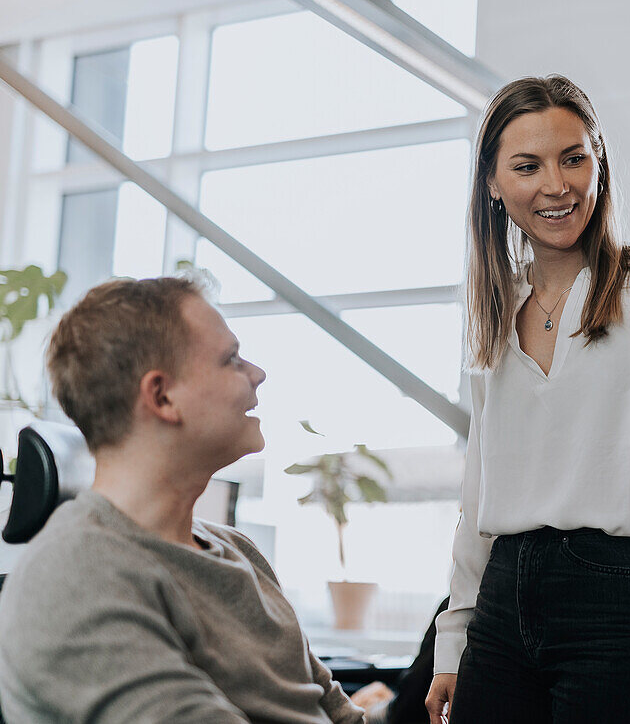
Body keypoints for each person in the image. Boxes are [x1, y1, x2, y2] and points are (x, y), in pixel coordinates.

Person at [425, 75, 630, 723]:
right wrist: (453, 640)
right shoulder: (497, 315)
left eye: (573, 157)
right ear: (493, 185)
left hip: (619, 598)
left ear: (599, 160)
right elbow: (478, 497)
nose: (557, 185)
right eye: (527, 166)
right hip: (501, 604)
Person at [0, 276, 366, 724]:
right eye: (231, 359)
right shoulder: (74, 574)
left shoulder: (239, 552)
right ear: (162, 396)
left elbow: (341, 716)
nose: (257, 373)